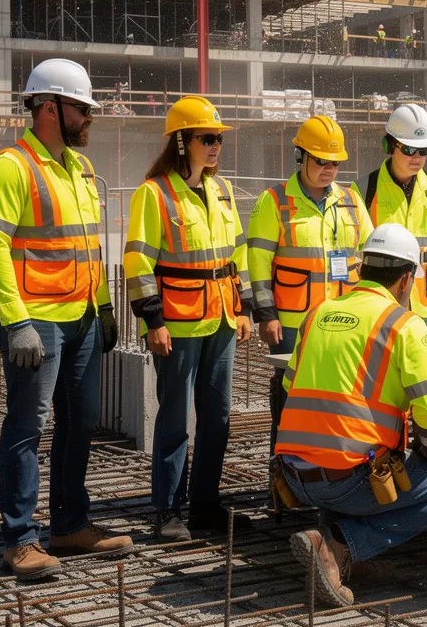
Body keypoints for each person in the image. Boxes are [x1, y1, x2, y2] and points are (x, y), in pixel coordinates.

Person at [0, 58, 131, 580]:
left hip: (81, 317)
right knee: (27, 426)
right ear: (48, 107)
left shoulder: (81, 169)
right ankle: (20, 540)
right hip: (34, 321)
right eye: (82, 109)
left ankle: (70, 524)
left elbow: (90, 245)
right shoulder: (9, 167)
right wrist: (15, 320)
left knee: (79, 423)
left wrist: (104, 307)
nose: (89, 118)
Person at [278, 223, 427, 607]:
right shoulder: (402, 324)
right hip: (345, 482)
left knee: (355, 452)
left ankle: (343, 549)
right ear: (406, 280)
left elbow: (289, 385)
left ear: (363, 270)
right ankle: (342, 547)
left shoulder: (319, 312)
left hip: (292, 476)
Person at [124, 95, 253, 542]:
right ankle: (167, 510)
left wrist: (243, 308)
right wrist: (153, 321)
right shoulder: (153, 194)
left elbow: (238, 254)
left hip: (220, 320)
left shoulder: (223, 190)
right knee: (176, 419)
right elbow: (138, 264)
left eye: (218, 138)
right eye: (207, 138)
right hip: (176, 325)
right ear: (182, 142)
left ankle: (205, 503)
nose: (216, 146)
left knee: (217, 417)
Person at [247, 114, 371, 474]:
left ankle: (328, 477)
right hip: (292, 327)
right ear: (300, 156)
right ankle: (285, 481)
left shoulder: (351, 200)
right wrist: (266, 316)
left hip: (344, 327)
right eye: (321, 160)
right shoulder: (274, 202)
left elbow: (371, 255)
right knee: (290, 408)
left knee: (338, 407)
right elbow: (258, 264)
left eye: (335, 162)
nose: (329, 169)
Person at [354, 104, 427, 342]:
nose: (417, 158)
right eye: (409, 149)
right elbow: (356, 252)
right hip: (382, 301)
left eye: (423, 150)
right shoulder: (364, 190)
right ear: (390, 146)